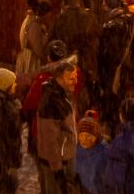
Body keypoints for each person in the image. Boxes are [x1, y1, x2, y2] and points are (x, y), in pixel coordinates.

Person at [36, 61, 79, 194]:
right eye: (70, 78)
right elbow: (49, 140)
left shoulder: (63, 95)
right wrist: (58, 170)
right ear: (59, 79)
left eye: (75, 77)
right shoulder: (51, 102)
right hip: (56, 163)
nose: (75, 81)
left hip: (64, 158)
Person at [97, 0, 134, 134]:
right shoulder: (129, 20)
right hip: (126, 67)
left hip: (113, 70)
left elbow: (106, 53)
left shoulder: (110, 26)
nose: (103, 7)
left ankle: (115, 129)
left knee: (113, 100)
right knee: (123, 98)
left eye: (105, 4)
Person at [51, 0, 99, 83]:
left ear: (64, 2)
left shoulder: (60, 19)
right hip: (87, 62)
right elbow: (97, 36)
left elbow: (52, 41)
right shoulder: (90, 16)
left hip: (66, 62)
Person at [74, 110, 108, 194]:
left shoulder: (103, 150)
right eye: (82, 136)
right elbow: (78, 162)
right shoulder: (79, 148)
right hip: (86, 185)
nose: (85, 139)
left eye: (88, 136)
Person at [18, 0, 51, 75]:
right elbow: (38, 49)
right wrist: (46, 36)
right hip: (31, 60)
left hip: (28, 57)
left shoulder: (31, 20)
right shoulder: (34, 25)